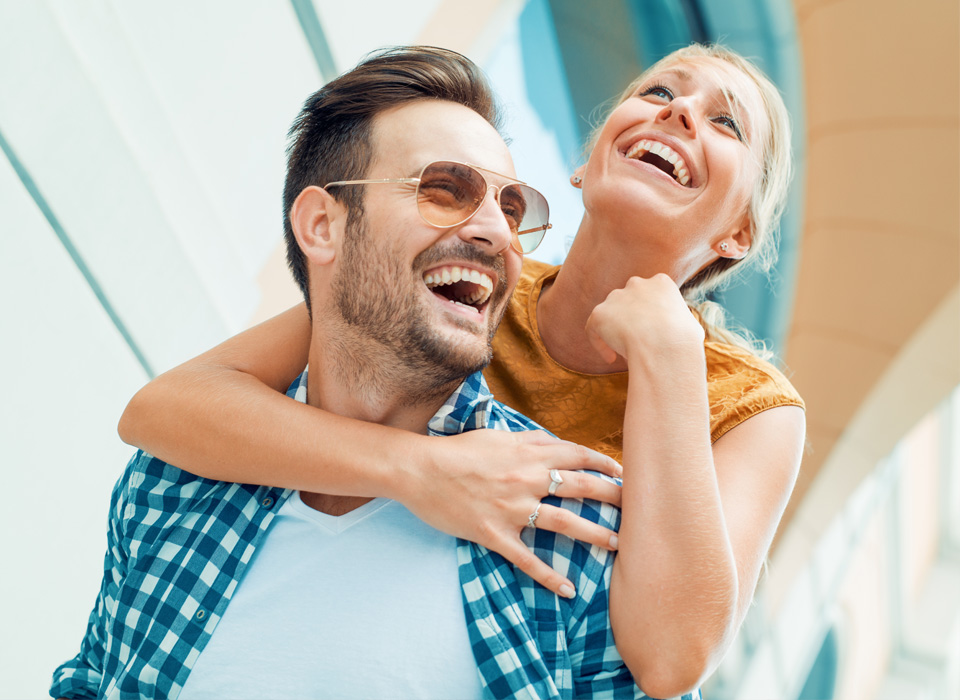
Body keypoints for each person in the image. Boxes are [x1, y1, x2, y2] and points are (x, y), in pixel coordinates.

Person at [118, 44, 805, 697]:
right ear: (585, 163)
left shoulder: (752, 405)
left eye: (725, 123)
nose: (679, 112)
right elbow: (166, 410)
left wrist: (672, 361)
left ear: (738, 235)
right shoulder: (464, 287)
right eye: (658, 91)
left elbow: (671, 660)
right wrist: (421, 469)